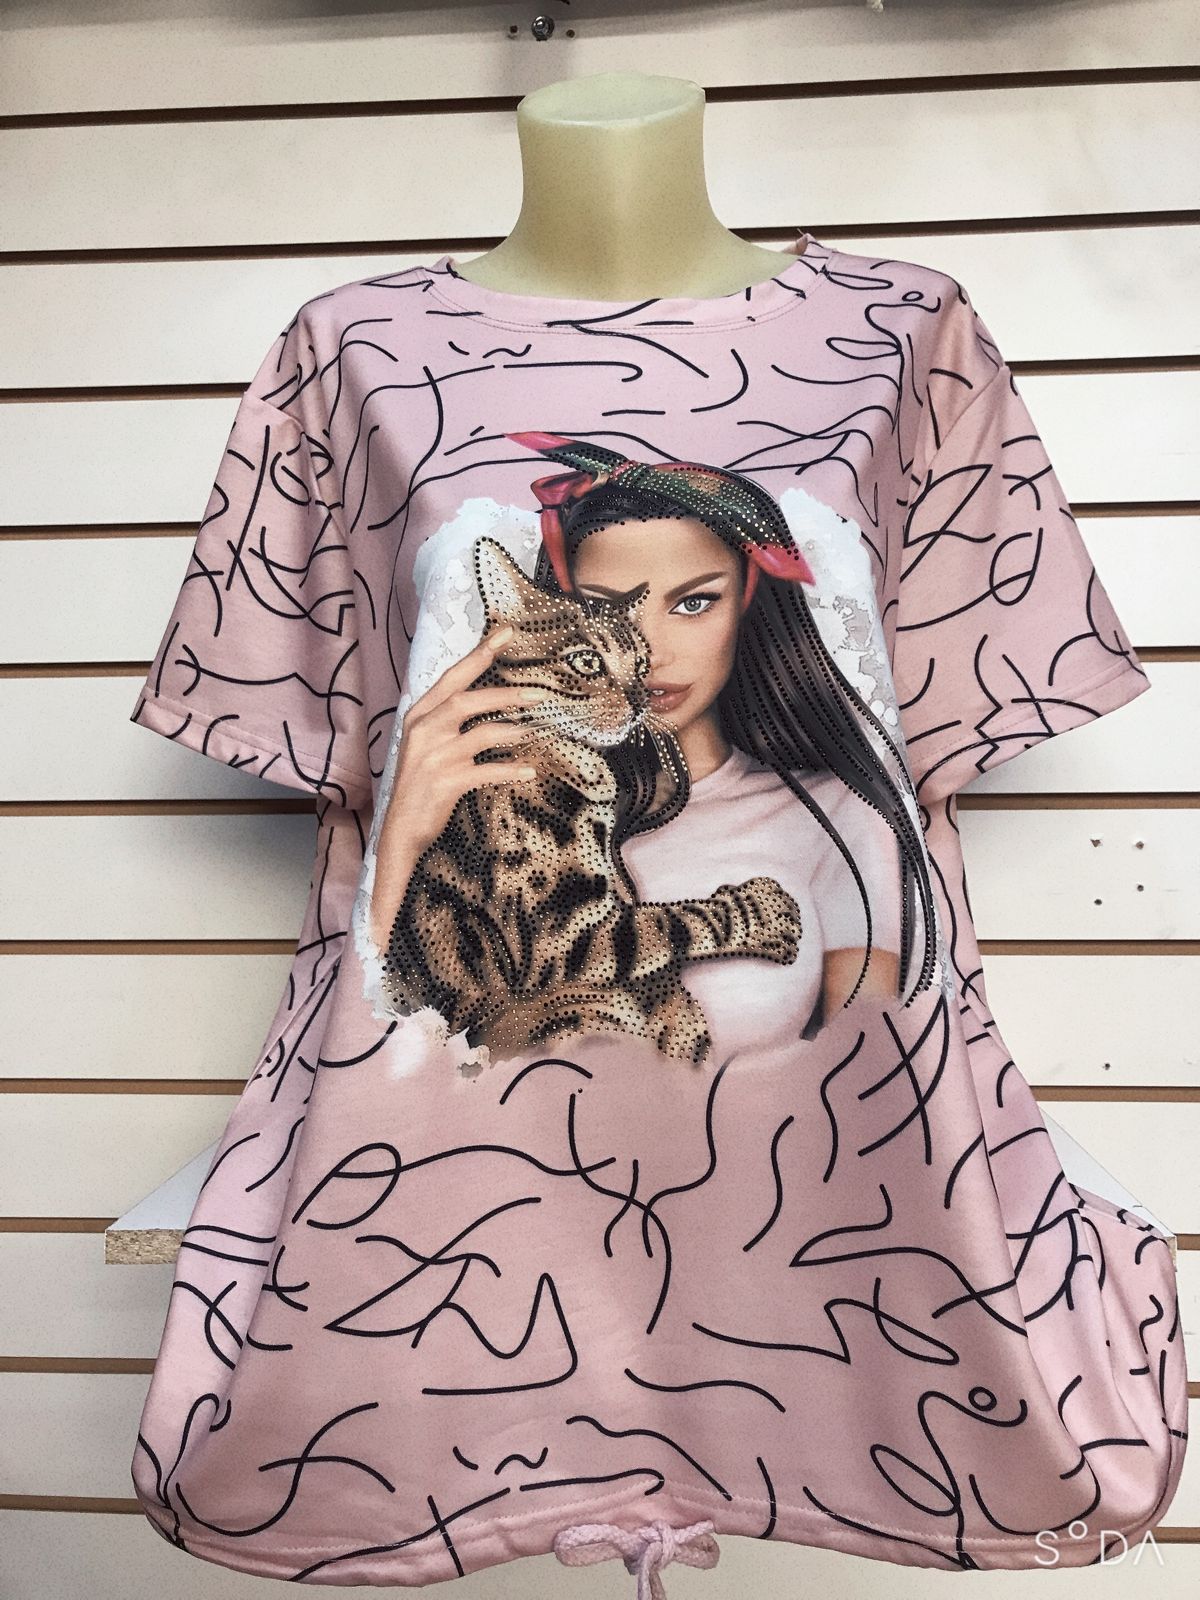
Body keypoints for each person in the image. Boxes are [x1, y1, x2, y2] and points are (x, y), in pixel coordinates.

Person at [366, 434, 940, 1059]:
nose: (648, 652)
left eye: (694, 602)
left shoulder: (838, 812)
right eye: (604, 611)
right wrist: (401, 838)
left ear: (747, 605)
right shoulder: (508, 799)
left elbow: (871, 1068)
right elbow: (396, 1041)